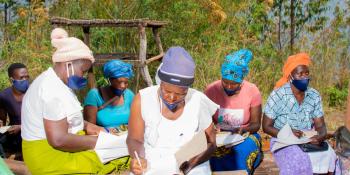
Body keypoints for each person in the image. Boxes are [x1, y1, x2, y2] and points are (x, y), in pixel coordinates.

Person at [21, 28, 124, 175]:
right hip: (51, 158)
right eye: (83, 71)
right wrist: (100, 142)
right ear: (68, 64)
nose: (83, 76)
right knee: (123, 151)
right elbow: (58, 140)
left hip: (60, 149)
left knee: (122, 148)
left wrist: (94, 128)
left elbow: (67, 120)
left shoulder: (59, 83)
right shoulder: (51, 90)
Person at [127, 46, 219, 175]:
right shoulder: (142, 99)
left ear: (187, 89)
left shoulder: (198, 101)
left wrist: (189, 165)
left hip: (190, 163)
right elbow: (134, 139)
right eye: (167, 91)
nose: (171, 98)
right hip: (152, 162)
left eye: (180, 94)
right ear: (160, 83)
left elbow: (211, 143)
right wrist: (138, 158)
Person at [262, 53, 336, 175]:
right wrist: (288, 133)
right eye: (300, 74)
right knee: (298, 160)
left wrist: (320, 136)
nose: (304, 78)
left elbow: (320, 125)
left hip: (308, 138)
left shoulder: (314, 95)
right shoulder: (278, 95)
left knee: (331, 157)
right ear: (290, 76)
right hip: (283, 140)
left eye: (306, 74)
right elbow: (266, 126)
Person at [205, 49, 262, 174]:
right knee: (212, 154)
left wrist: (244, 130)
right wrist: (212, 131)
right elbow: (204, 119)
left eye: (234, 84)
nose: (229, 86)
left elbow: (256, 124)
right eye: (225, 82)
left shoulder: (252, 91)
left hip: (245, 135)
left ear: (241, 80)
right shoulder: (211, 90)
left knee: (241, 153)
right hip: (220, 136)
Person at [84, 59, 134, 131]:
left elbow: (137, 121)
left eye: (126, 83)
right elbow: (89, 127)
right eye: (119, 82)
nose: (123, 86)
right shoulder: (95, 95)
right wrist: (107, 132)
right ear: (110, 80)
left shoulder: (129, 95)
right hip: (103, 139)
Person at [0, 63, 30, 159]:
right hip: (15, 137)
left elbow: (44, 120)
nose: (25, 80)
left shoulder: (34, 92)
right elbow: (2, 120)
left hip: (34, 133)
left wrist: (21, 127)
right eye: (21, 78)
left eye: (27, 77)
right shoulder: (4, 96)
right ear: (11, 80)